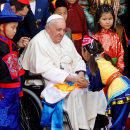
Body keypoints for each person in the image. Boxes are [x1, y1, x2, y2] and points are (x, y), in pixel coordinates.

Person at [21, 14, 107, 130]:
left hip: (71, 78)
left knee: (95, 89)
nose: (62, 33)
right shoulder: (38, 42)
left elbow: (78, 60)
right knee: (76, 93)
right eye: (58, 30)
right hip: (49, 83)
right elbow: (47, 70)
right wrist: (72, 78)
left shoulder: (65, 39)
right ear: (48, 29)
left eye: (63, 29)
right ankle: (81, 126)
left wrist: (81, 74)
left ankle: (95, 123)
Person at [79, 35, 130, 130]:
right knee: (121, 120)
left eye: (81, 50)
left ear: (86, 52)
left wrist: (87, 85)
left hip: (118, 89)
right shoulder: (102, 58)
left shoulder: (92, 64)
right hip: (126, 83)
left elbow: (96, 86)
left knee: (116, 124)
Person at [0, 0, 25, 129]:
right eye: (12, 27)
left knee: (15, 118)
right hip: (2, 91)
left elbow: (16, 69)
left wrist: (19, 90)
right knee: (3, 120)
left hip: (13, 90)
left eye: (16, 27)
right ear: (1, 26)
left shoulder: (14, 44)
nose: (15, 31)